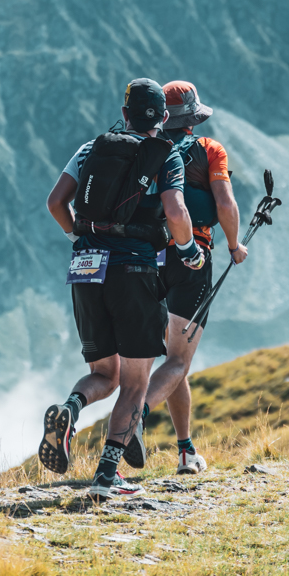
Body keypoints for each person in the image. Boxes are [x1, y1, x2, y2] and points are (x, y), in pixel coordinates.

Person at [40, 79, 205, 500]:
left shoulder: (90, 148)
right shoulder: (166, 154)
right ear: (163, 119)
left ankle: (71, 410)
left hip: (85, 267)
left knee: (104, 374)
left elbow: (55, 202)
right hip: (133, 270)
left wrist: (78, 236)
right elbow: (176, 210)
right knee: (134, 381)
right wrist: (187, 250)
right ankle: (107, 474)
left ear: (125, 111)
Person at [142, 81, 247, 475]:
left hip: (146, 260)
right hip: (191, 257)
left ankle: (186, 450)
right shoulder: (209, 150)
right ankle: (135, 418)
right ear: (193, 118)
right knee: (178, 363)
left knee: (173, 360)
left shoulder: (146, 150)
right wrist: (235, 245)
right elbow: (225, 202)